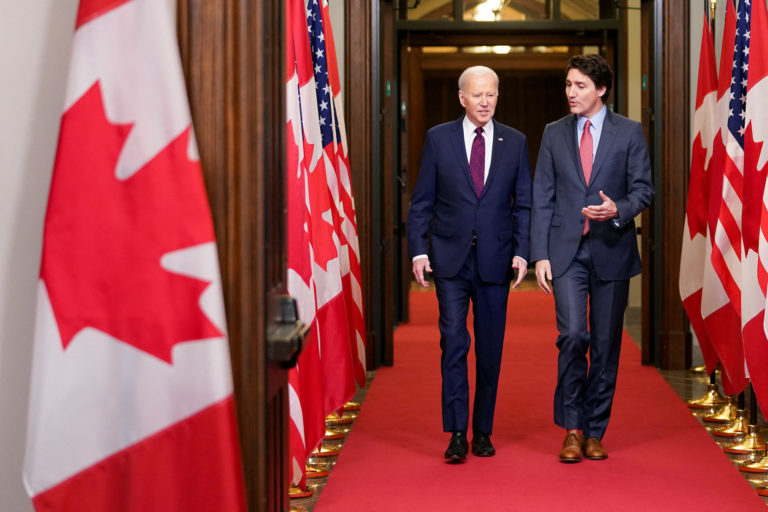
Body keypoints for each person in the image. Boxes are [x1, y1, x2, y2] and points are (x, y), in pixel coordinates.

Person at [531, 54, 654, 462]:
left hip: (612, 249)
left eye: (580, 85)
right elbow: (542, 197)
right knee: (573, 337)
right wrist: (539, 256)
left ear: (601, 89)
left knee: (604, 344)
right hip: (566, 253)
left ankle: (595, 431)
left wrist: (617, 209)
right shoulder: (553, 133)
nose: (571, 92)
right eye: (568, 84)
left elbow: (643, 190)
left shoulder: (629, 132)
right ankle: (572, 428)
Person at [407, 65, 532, 462]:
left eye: (491, 95)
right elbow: (422, 199)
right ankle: (457, 433)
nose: (484, 102)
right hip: (450, 260)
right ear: (461, 97)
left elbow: (524, 204)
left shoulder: (515, 141)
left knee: (490, 349)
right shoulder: (438, 139)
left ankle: (483, 431)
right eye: (477, 95)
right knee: (454, 343)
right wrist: (419, 250)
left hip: (496, 261)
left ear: (498, 96)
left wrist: (522, 250)